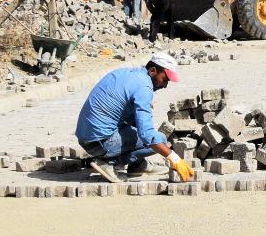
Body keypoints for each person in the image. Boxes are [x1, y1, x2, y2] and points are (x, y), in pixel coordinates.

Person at [75, 53, 195, 184]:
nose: (165, 85)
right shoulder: (144, 87)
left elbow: (132, 120)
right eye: (165, 79)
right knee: (160, 138)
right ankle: (109, 163)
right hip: (100, 142)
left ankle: (138, 165)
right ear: (153, 71)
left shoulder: (127, 73)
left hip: (85, 137)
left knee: (141, 131)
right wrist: (174, 158)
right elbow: (147, 135)